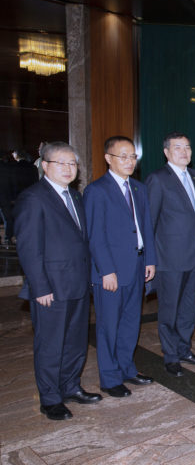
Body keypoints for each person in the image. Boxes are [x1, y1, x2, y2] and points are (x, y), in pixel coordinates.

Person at [15, 141, 101, 420]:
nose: (67, 168)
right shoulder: (34, 198)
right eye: (60, 163)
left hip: (77, 283)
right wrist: (39, 286)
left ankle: (71, 386)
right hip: (51, 288)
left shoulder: (75, 197)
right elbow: (29, 248)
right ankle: (50, 398)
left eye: (72, 164)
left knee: (76, 342)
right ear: (45, 166)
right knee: (51, 344)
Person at [84, 136, 156, 398]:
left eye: (132, 157)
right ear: (108, 159)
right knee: (108, 326)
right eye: (122, 156)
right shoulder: (96, 191)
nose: (129, 161)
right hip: (112, 271)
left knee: (130, 322)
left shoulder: (138, 188)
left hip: (137, 266)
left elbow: (146, 227)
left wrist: (150, 260)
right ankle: (110, 377)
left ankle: (127, 368)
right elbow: (96, 236)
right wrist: (106, 271)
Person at [145, 132, 195, 377]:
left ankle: (184, 349)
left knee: (189, 308)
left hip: (194, 257)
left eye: (187, 147)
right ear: (166, 152)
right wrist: (150, 259)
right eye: (178, 147)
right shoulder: (157, 179)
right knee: (169, 310)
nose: (184, 151)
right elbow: (150, 222)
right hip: (169, 259)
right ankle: (170, 356)